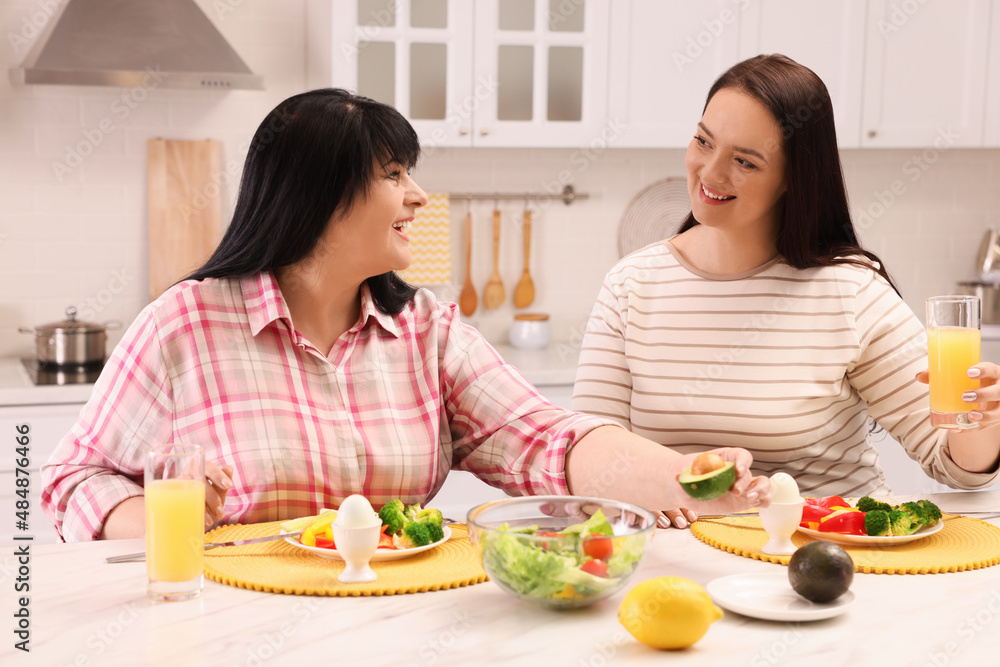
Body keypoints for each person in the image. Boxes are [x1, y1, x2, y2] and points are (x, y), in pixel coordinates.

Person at [41, 89, 771, 542]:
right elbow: (69, 476)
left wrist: (685, 475)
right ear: (317, 196)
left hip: (401, 625)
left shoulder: (427, 329)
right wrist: (169, 516)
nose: (419, 196)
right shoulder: (185, 325)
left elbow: (545, 438)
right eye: (394, 174)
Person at [573, 54, 1000, 529]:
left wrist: (982, 420)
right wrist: (645, 487)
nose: (711, 173)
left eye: (745, 162)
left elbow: (956, 468)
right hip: (682, 561)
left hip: (828, 558)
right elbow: (591, 452)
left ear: (793, 179)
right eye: (702, 141)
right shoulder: (631, 285)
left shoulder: (850, 292)